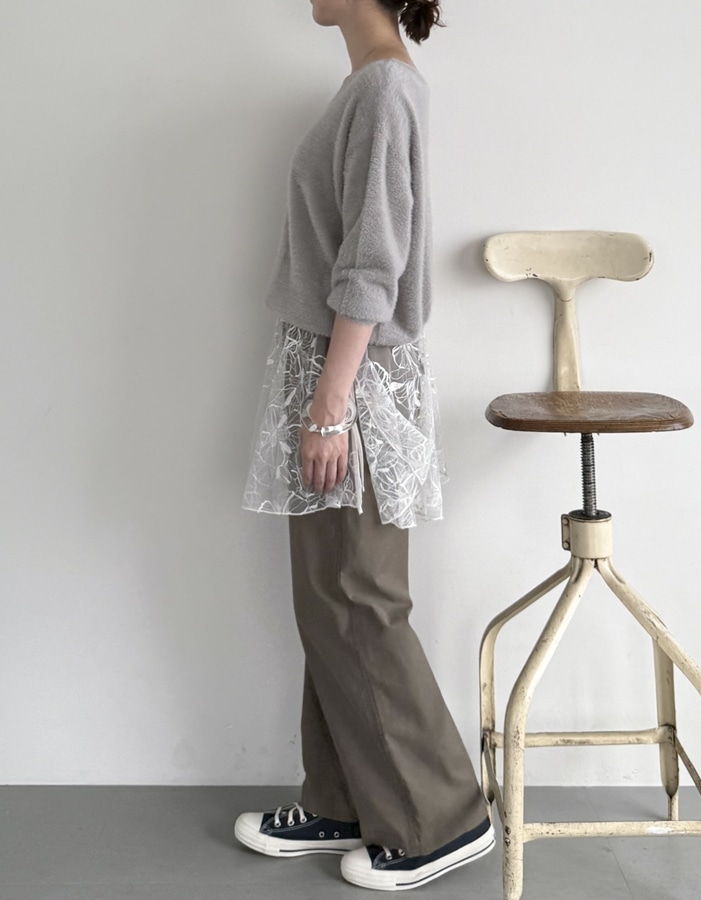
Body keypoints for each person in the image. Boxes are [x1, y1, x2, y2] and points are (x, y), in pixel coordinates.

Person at [234, 0, 494, 891]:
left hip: (356, 379)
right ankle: (345, 798)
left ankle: (440, 819)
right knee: (328, 596)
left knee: (359, 598)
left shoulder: (383, 88)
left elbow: (373, 264)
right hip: (337, 372)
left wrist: (331, 405)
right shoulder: (368, 86)